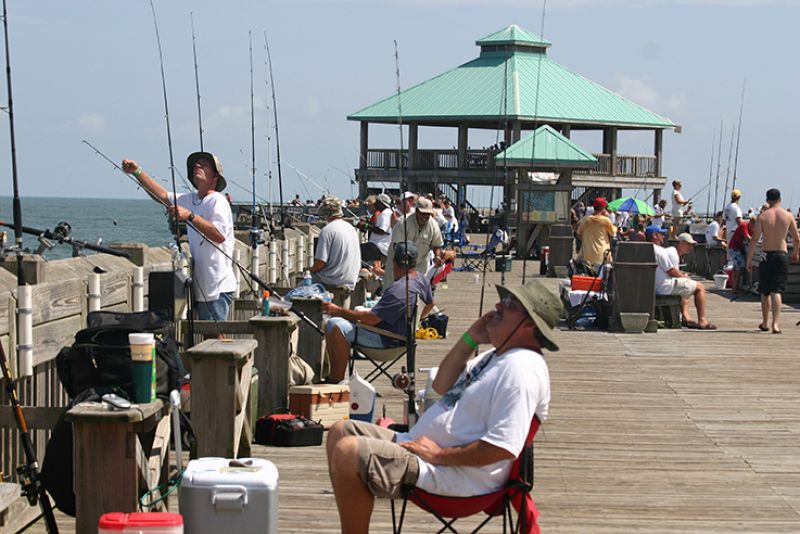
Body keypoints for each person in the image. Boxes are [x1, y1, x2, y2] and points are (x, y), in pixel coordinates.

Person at [326, 279, 559, 534]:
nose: (497, 305)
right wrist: (471, 337)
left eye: (510, 304)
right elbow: (440, 385)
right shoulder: (495, 356)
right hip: (424, 452)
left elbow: (503, 447)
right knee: (340, 430)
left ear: (528, 325)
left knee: (349, 452)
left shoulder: (521, 370)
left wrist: (439, 456)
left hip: (456, 477)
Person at [122, 152, 236, 321]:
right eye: (195, 164)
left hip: (216, 285)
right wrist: (137, 172)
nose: (197, 166)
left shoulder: (217, 201)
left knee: (215, 339)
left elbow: (219, 235)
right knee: (210, 338)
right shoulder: (190, 199)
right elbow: (160, 195)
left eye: (203, 164)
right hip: (203, 285)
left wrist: (190, 216)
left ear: (215, 176)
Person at [322, 242, 434, 383]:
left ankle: (336, 380)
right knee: (340, 322)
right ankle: (335, 377)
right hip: (404, 339)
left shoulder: (399, 290)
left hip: (387, 342)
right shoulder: (421, 280)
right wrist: (414, 322)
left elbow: (371, 319)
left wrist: (337, 310)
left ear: (394, 262)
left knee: (334, 324)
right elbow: (430, 303)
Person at [746, 188, 800, 334]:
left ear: (767, 200)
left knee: (765, 291)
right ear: (780, 199)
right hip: (781, 254)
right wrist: (795, 253)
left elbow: (755, 239)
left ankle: (765, 322)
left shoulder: (763, 217)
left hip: (766, 255)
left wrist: (749, 259)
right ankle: (776, 324)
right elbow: (796, 238)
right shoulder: (788, 216)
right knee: (777, 290)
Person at [649, 226, 716, 329]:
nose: (663, 236)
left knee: (685, 285)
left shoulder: (648, 248)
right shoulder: (663, 251)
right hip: (663, 286)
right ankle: (702, 320)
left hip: (653, 286)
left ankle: (685, 315)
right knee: (700, 287)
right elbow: (671, 271)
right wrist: (686, 278)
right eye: (688, 244)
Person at [385, 197, 444, 285]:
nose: (425, 217)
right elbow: (397, 247)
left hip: (420, 265)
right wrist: (402, 270)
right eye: (422, 213)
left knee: (414, 293)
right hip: (398, 264)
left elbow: (437, 245)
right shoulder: (402, 223)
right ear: (416, 211)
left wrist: (437, 256)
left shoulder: (434, 225)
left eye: (427, 214)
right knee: (394, 291)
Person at [310, 196, 361, 291]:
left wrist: (310, 271)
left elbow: (320, 263)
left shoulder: (327, 231)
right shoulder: (351, 228)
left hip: (333, 280)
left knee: (298, 289)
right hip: (351, 279)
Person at [576, 197, 617, 270]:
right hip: (603, 254)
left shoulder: (585, 219)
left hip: (587, 254)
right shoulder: (605, 220)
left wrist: (586, 240)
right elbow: (613, 232)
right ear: (603, 208)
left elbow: (578, 234)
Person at [358, 193, 393, 264]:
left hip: (379, 247)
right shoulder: (386, 213)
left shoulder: (386, 213)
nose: (376, 204)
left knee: (355, 249)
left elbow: (382, 230)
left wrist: (366, 226)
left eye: (377, 202)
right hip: (377, 246)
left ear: (380, 203)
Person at [728, 218, 752, 292]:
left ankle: (735, 287)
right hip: (734, 248)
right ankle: (735, 287)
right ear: (751, 223)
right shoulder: (744, 225)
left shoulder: (750, 228)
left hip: (738, 248)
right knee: (740, 265)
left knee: (736, 267)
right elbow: (747, 237)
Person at [723, 189, 743, 259]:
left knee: (729, 251)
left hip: (728, 231)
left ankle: (729, 265)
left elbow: (724, 219)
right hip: (735, 232)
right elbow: (738, 220)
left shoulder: (727, 207)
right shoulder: (736, 208)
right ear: (739, 197)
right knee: (735, 251)